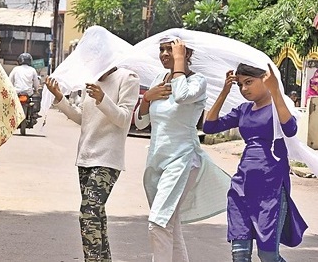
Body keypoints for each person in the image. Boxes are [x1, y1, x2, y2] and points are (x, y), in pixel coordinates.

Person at [134, 37, 230, 262]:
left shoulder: (198, 82)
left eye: (172, 49)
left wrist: (178, 63)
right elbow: (140, 123)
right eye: (162, 50)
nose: (165, 54)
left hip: (183, 160)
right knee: (170, 226)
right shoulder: (160, 79)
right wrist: (147, 98)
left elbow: (181, 95)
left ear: (186, 53)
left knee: (158, 223)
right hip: (156, 163)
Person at [203, 63, 308, 262]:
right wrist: (224, 92)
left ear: (265, 79)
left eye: (249, 82)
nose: (244, 89)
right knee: (239, 254)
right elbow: (209, 126)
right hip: (241, 188)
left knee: (268, 255)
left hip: (272, 189)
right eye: (240, 85)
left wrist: (276, 90)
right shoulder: (243, 110)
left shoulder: (278, 109)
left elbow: (290, 129)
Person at [45, 65, 140, 261]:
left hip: (108, 158)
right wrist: (60, 98)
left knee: (88, 214)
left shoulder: (128, 78)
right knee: (97, 217)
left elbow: (124, 119)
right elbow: (82, 117)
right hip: (86, 157)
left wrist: (102, 99)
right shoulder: (91, 79)